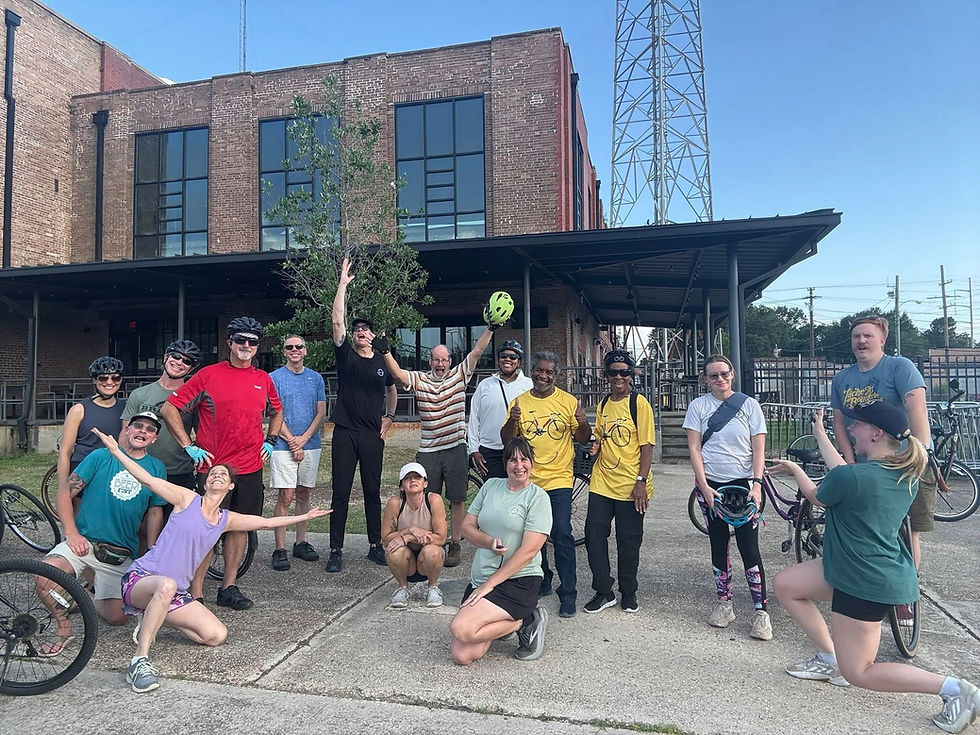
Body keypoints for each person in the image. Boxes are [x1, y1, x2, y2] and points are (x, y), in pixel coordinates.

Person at [771, 403, 979, 734]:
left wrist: (794, 470)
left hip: (864, 580)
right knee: (787, 584)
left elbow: (817, 493)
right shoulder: (903, 472)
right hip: (862, 567)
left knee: (860, 672)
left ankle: (957, 690)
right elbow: (844, 473)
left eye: (857, 425)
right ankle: (829, 658)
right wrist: (819, 433)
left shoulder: (854, 477)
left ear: (876, 433)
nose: (851, 429)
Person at [89, 427, 329, 693]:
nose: (217, 475)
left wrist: (304, 518)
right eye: (213, 473)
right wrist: (116, 452)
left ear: (230, 486)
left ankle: (152, 614)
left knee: (215, 635)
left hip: (174, 593)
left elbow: (267, 522)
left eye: (223, 475)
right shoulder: (186, 499)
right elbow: (146, 478)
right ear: (205, 482)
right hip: (142, 580)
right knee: (166, 585)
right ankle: (140, 659)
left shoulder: (226, 520)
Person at [160, 316, 283, 611]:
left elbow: (277, 412)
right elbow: (169, 407)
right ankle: (197, 593)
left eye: (252, 341)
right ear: (229, 343)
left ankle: (229, 587)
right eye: (240, 340)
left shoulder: (263, 379)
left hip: (250, 467)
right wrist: (188, 446)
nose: (246, 346)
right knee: (207, 529)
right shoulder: (208, 375)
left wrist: (272, 439)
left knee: (239, 528)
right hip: (213, 469)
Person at [38, 411, 167, 642]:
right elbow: (66, 493)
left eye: (150, 430)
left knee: (118, 617)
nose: (143, 432)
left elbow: (155, 511)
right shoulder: (100, 456)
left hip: (120, 552)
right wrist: (71, 532)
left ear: (154, 439)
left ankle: (84, 596)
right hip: (84, 541)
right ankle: (64, 628)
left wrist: (151, 550)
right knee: (44, 579)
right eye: (138, 426)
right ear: (127, 429)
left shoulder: (157, 468)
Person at [377, 325, 494, 568]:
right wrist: (386, 351)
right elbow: (398, 374)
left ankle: (455, 543)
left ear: (450, 361)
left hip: (455, 447)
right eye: (436, 360)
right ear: (429, 361)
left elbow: (477, 351)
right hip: (428, 450)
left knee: (457, 498)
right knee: (429, 497)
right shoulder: (420, 379)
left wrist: (491, 328)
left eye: (444, 359)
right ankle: (430, 541)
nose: (440, 364)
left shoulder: (460, 375)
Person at [831, 314, 937, 569]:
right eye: (856, 336)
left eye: (868, 335)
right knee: (866, 529)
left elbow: (917, 411)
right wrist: (849, 461)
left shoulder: (900, 367)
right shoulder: (842, 378)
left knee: (908, 531)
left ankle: (907, 593)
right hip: (865, 466)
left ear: (882, 339)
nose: (861, 340)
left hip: (905, 461)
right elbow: (838, 423)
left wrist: (919, 453)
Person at [683, 354, 772, 641]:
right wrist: (703, 485)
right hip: (711, 485)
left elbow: (758, 450)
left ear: (732, 374)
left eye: (724, 374)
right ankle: (725, 603)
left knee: (749, 546)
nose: (719, 380)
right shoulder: (698, 406)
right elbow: (694, 449)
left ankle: (761, 611)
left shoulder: (749, 405)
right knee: (718, 543)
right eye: (713, 375)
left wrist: (757, 486)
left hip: (743, 484)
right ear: (705, 379)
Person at [501, 350, 591, 618]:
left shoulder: (568, 402)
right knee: (532, 537)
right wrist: (513, 421)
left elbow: (584, 438)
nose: (543, 376)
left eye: (549, 372)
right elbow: (507, 439)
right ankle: (543, 580)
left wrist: (583, 421)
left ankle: (569, 593)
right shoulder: (519, 401)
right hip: (529, 481)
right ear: (532, 371)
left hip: (559, 479)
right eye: (539, 370)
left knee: (562, 533)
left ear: (556, 375)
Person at [449, 437, 552, 665]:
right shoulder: (490, 486)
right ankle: (508, 623)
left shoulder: (538, 498)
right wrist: (488, 542)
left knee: (460, 627)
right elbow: (466, 527)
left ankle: (524, 621)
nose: (519, 465)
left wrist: (490, 585)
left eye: (524, 459)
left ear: (532, 463)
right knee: (461, 656)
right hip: (483, 577)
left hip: (518, 582)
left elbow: (528, 551)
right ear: (505, 463)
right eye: (513, 460)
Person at [326, 258, 398, 573]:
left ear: (373, 336)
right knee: (340, 491)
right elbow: (337, 322)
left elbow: (394, 388)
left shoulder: (382, 360)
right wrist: (343, 284)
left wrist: (390, 417)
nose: (360, 332)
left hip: (371, 435)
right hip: (344, 432)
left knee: (371, 491)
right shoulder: (346, 356)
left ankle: (373, 546)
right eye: (358, 329)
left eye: (366, 329)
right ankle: (336, 549)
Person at [583, 350, 655, 615]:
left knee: (629, 540)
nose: (618, 377)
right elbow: (600, 436)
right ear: (606, 375)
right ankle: (604, 590)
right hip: (602, 481)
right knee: (594, 535)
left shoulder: (639, 404)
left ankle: (629, 590)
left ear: (632, 375)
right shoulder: (603, 405)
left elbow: (647, 446)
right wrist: (595, 446)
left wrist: (640, 481)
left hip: (631, 484)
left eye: (624, 371)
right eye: (613, 372)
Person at [269, 334, 327, 571]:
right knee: (286, 495)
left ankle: (300, 542)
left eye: (298, 346)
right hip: (283, 446)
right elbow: (274, 412)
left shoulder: (316, 378)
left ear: (305, 350)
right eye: (289, 347)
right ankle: (279, 548)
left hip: (311, 444)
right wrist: (292, 441)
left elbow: (321, 411)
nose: (294, 350)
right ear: (284, 352)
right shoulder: (274, 378)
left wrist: (303, 440)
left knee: (304, 493)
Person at [121, 340, 202, 497]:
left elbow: (202, 435)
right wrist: (123, 464)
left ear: (191, 368)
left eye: (187, 361)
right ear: (166, 357)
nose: (179, 362)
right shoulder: (139, 394)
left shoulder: (194, 399)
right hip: (142, 468)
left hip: (179, 471)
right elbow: (125, 434)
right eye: (176, 356)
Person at [56, 356, 127, 511]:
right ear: (94, 380)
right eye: (103, 377)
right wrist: (63, 485)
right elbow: (65, 452)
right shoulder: (79, 410)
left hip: (114, 468)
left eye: (115, 377)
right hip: (83, 468)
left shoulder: (126, 408)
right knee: (81, 517)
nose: (110, 382)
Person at [381, 462, 448, 609]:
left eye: (417, 477)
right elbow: (386, 538)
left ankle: (433, 587)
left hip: (428, 558)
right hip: (407, 560)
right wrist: (409, 530)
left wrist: (409, 537)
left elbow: (441, 538)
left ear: (425, 483)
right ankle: (402, 587)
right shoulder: (395, 503)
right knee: (393, 550)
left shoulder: (433, 500)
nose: (413, 480)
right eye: (408, 478)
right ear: (401, 486)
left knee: (433, 551)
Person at [468, 340, 533, 480]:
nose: (508, 359)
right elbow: (474, 418)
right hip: (489, 451)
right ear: (498, 360)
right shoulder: (485, 385)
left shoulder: (529, 385)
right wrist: (474, 450)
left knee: (518, 493)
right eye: (504, 356)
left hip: (518, 450)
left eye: (513, 357)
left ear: (519, 362)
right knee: (494, 494)